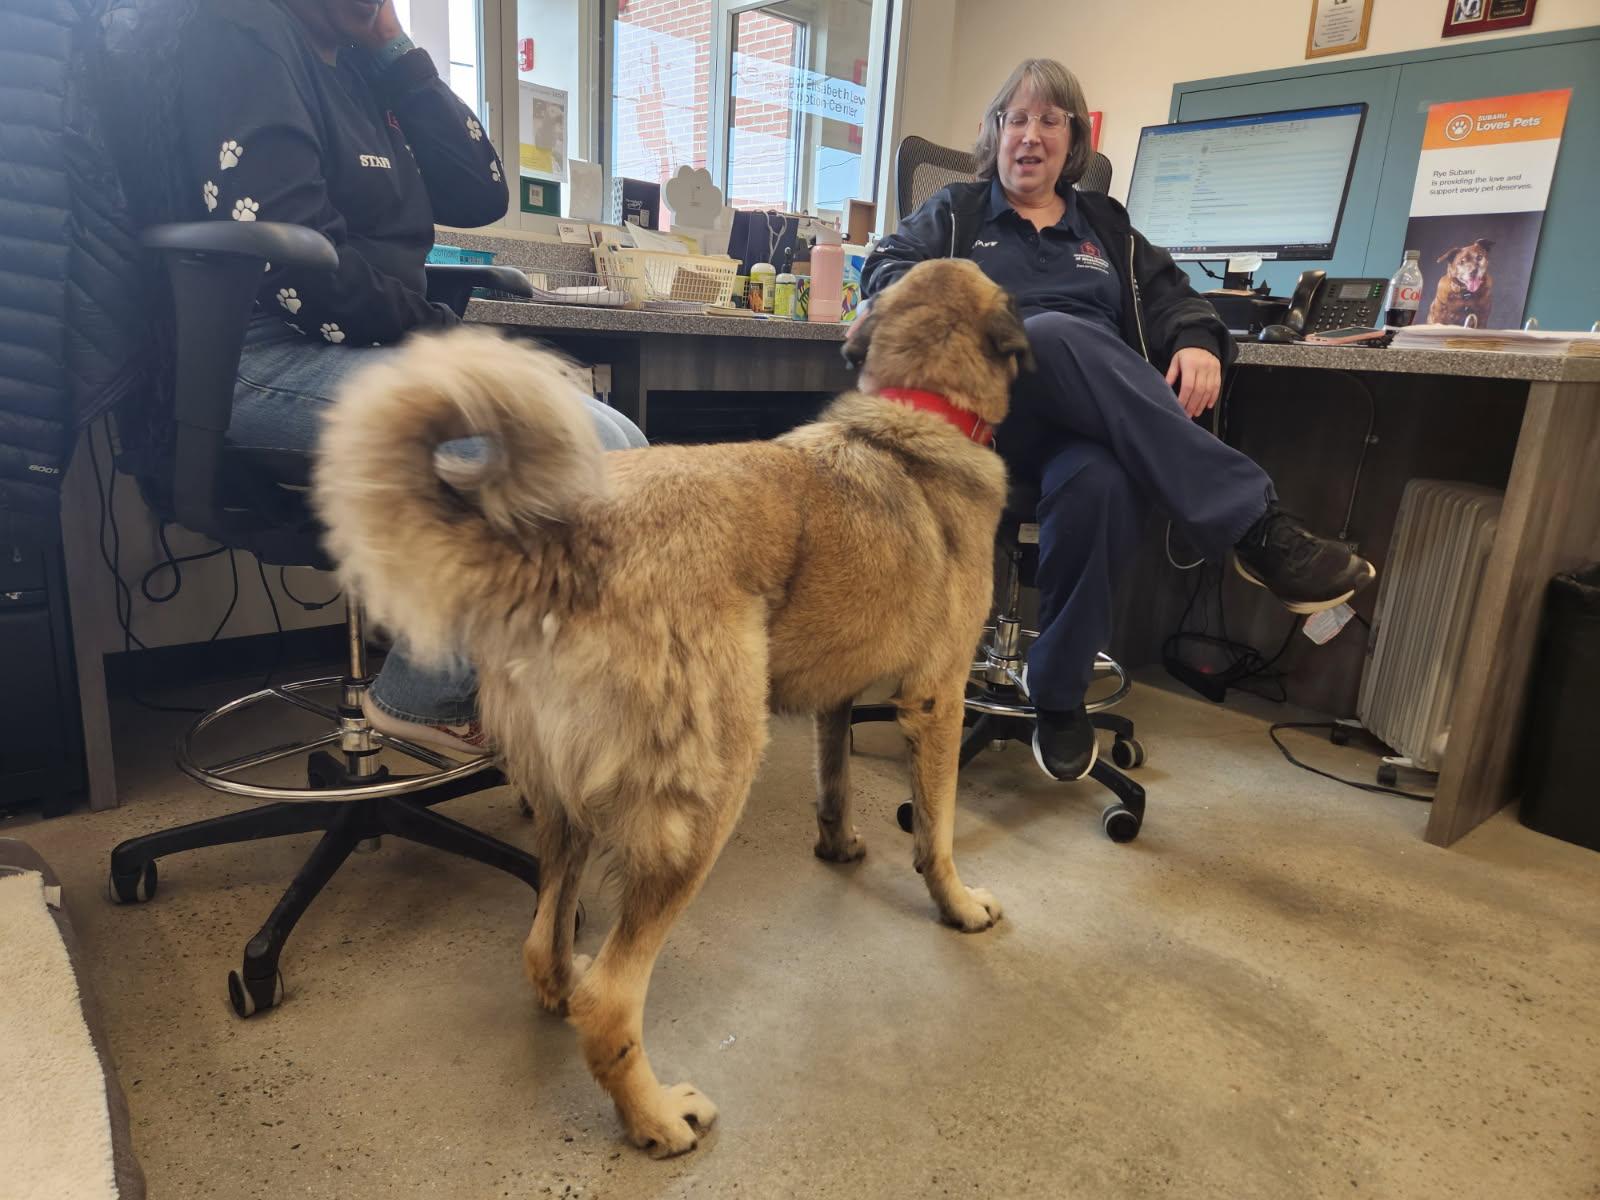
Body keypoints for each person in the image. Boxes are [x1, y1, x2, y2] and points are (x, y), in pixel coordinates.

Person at [862, 59, 1375, 782]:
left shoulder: (1108, 227)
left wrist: (1196, 340)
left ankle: (1060, 696)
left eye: (1050, 121)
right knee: (1052, 332)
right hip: (982, 425)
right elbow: (882, 270)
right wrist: (957, 314)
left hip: (1084, 421)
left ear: (1074, 142)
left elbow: (1175, 299)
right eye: (1017, 120)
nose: (1031, 136)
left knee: (1100, 478)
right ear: (994, 134)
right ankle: (1255, 529)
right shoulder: (956, 213)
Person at [173, 0, 645, 753]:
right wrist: (449, 341)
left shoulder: (360, 67)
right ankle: (423, 694)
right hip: (257, 357)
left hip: (371, 346)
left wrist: (394, 50)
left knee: (620, 442)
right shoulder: (241, 34)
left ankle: (509, 684)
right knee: (564, 448)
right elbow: (304, 276)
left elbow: (481, 194)